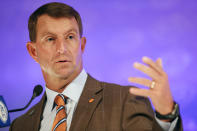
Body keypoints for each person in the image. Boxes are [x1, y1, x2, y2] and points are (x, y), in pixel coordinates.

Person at [9, 2, 183, 131]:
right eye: (50, 39)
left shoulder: (125, 101)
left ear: (82, 45)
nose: (62, 49)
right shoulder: (20, 125)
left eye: (70, 37)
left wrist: (166, 115)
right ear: (33, 51)